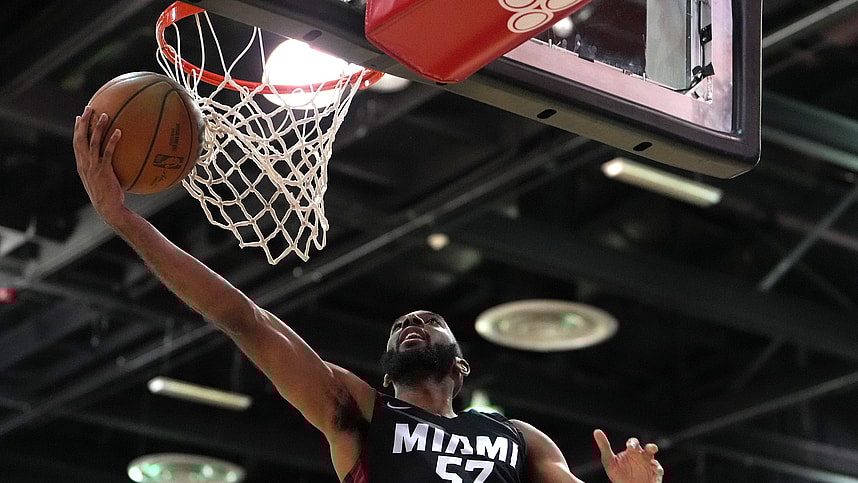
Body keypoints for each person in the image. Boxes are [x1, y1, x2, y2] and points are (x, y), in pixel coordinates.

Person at [74, 106, 665, 483]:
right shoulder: (360, 412)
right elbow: (243, 320)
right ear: (386, 372)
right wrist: (124, 220)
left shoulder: (520, 440)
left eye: (428, 319)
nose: (411, 320)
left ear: (460, 365)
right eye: (402, 325)